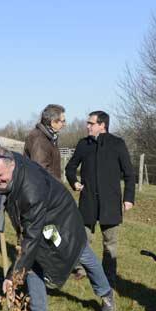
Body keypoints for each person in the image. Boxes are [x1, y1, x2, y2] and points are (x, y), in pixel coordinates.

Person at [0, 147, 116, 311]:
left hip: (60, 221)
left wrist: (12, 277)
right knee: (32, 262)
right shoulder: (5, 160)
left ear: (12, 165)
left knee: (80, 253)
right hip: (39, 218)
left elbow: (31, 238)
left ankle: (106, 293)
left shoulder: (32, 190)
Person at [65, 111, 135, 285]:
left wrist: (129, 198)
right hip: (88, 201)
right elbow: (70, 168)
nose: (87, 126)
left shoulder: (117, 144)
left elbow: (129, 174)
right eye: (88, 123)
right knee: (83, 238)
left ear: (102, 125)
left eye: (91, 123)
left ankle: (109, 275)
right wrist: (74, 182)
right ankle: (82, 269)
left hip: (110, 202)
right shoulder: (83, 144)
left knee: (110, 242)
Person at [24, 104, 66, 180]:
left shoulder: (49, 137)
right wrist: (58, 187)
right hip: (43, 189)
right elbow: (40, 169)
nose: (64, 124)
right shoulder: (40, 139)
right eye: (63, 121)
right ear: (53, 122)